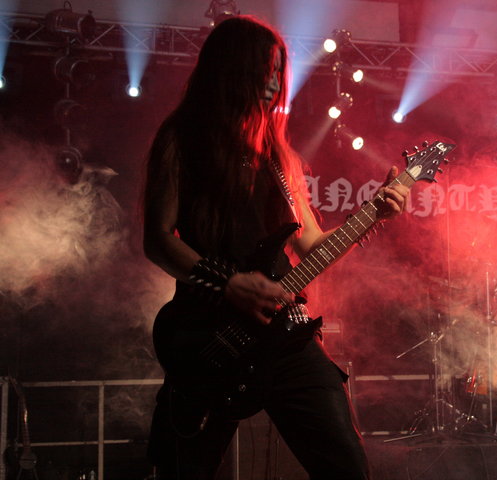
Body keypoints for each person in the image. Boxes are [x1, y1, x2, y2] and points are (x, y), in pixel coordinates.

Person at [142, 15, 409, 480]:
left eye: (279, 72)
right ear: (233, 69)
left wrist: (373, 215)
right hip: (208, 333)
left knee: (346, 467)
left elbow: (310, 246)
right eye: (265, 70)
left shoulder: (280, 157)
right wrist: (229, 284)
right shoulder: (181, 140)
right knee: (182, 469)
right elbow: (159, 239)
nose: (274, 83)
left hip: (284, 333)